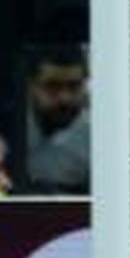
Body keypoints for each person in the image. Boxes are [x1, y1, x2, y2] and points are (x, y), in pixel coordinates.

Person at [24, 44, 88, 193]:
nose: (65, 98)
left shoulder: (96, 135)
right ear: (29, 85)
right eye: (52, 86)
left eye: (74, 86)